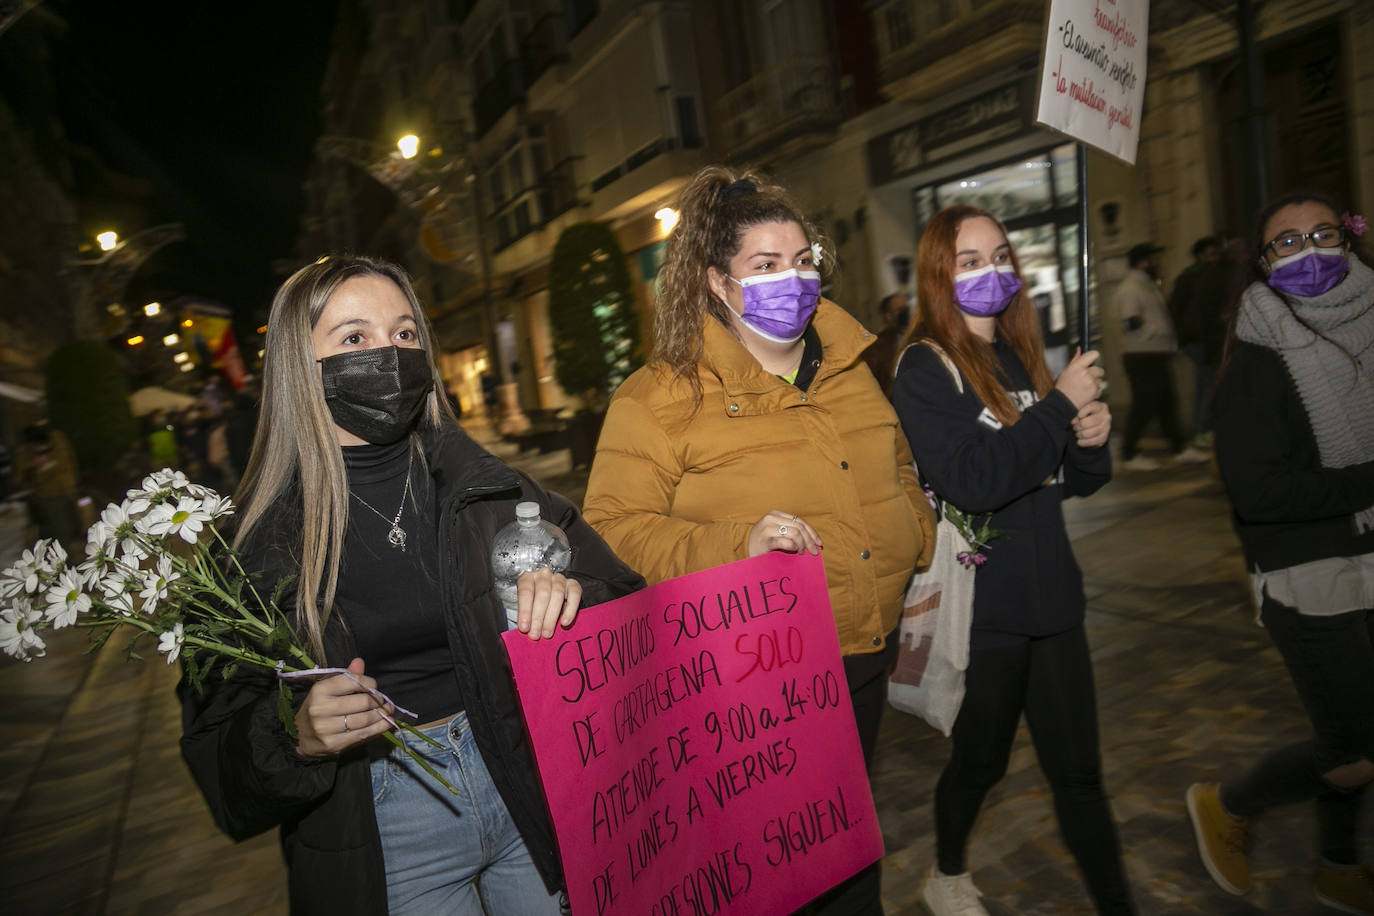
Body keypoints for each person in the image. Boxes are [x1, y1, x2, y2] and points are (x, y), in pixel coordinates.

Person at [178, 255, 644, 915]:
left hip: (524, 784)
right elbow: (214, 748)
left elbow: (623, 596)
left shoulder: (486, 488)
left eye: (404, 334)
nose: (389, 354)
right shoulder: (257, 546)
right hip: (384, 817)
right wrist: (293, 735)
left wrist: (574, 600)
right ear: (297, 368)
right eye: (354, 338)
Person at [581, 166, 937, 913]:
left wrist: (918, 536)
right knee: (793, 870)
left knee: (847, 836)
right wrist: (732, 547)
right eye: (766, 266)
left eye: (803, 261)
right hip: (756, 676)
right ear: (716, 282)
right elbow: (611, 530)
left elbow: (896, 463)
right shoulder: (659, 397)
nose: (794, 280)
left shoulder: (849, 365)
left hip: (865, 652)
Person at [891, 205, 1133, 915]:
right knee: (980, 763)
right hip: (985, 612)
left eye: (1000, 255)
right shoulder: (924, 368)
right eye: (970, 261)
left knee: (1080, 777)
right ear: (940, 273)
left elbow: (1074, 482)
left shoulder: (1024, 354)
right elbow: (976, 479)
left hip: (1053, 600)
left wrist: (1089, 437)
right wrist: (1058, 410)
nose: (991, 271)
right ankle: (948, 870)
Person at [1186, 191, 1374, 915]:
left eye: (1322, 234)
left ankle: (1336, 864)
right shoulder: (1254, 363)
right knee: (1354, 751)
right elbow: (1262, 496)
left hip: (1369, 554)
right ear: (1261, 265)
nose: (1309, 251)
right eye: (1286, 243)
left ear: (1349, 239)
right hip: (1309, 574)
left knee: (1359, 732)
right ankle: (1231, 803)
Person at [1113, 242, 1209, 470]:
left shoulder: (1146, 285)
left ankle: (1179, 449)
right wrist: (1159, 332)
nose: (1157, 263)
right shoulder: (1131, 288)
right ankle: (1128, 454)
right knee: (1144, 405)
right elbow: (1130, 323)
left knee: (1167, 404)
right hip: (1142, 356)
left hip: (1155, 355)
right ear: (1143, 261)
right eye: (1153, 259)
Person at [1167, 236, 1229, 447]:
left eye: (1216, 253)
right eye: (1211, 253)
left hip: (1209, 339)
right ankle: (1202, 430)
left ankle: (1205, 430)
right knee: (1206, 385)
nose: (1215, 257)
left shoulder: (1213, 274)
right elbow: (1176, 310)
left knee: (1209, 384)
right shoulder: (1191, 278)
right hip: (1201, 341)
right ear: (1201, 255)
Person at [861, 291, 911, 398]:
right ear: (888, 316)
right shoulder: (877, 347)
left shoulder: (922, 335)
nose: (905, 314)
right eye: (899, 310)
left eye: (906, 309)